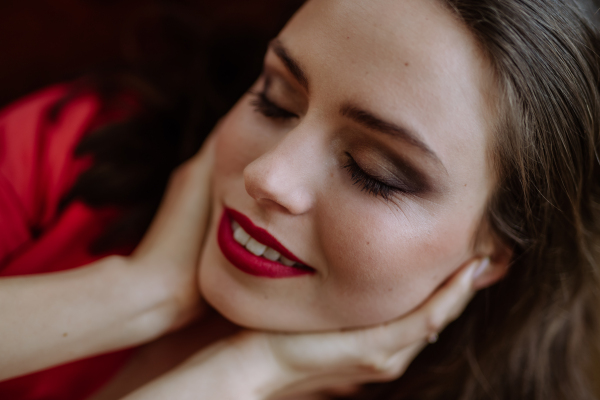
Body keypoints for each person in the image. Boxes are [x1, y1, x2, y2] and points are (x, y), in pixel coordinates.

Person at [1, 0, 599, 399]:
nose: (268, 176)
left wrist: (248, 374)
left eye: (375, 172)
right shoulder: (81, 144)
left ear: (492, 253)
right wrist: (137, 293)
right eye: (276, 100)